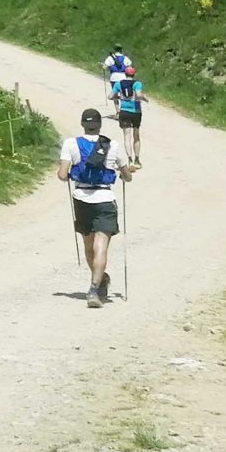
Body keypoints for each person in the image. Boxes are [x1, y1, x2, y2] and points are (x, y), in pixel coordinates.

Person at [59, 107, 138, 306]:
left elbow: (62, 175)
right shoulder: (113, 146)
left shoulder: (71, 144)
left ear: (83, 124)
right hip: (104, 197)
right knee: (100, 246)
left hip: (81, 197)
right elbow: (126, 177)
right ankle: (94, 290)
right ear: (100, 125)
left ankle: (100, 281)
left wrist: (71, 173)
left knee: (88, 246)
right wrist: (125, 173)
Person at [112, 71, 146, 163]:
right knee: (136, 135)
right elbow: (138, 95)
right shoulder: (137, 83)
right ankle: (137, 159)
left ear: (125, 74)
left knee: (127, 136)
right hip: (136, 112)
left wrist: (119, 97)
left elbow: (110, 96)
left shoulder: (118, 84)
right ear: (134, 74)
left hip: (124, 111)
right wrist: (144, 98)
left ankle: (129, 159)